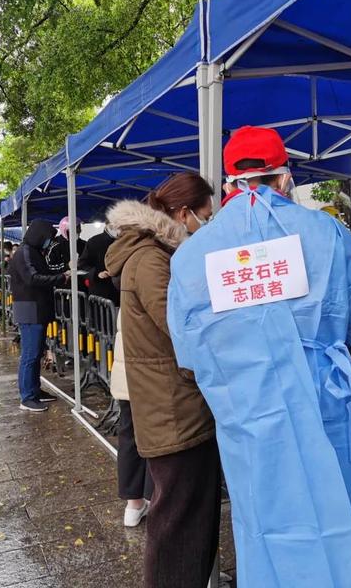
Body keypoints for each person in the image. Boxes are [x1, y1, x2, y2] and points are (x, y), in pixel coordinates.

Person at [167, 126, 351, 587]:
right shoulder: (327, 232)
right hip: (324, 403)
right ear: (285, 178)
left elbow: (189, 350)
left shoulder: (194, 255)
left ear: (228, 183)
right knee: (340, 513)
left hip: (248, 411)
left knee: (264, 521)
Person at [104, 173, 219, 588]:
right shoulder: (152, 259)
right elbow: (181, 326)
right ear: (183, 213)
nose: (205, 225)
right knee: (178, 521)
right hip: (173, 407)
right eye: (204, 217)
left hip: (172, 401)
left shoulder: (152, 252)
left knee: (185, 514)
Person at [9, 219, 69, 412]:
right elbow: (33, 278)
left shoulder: (32, 252)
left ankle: (35, 391)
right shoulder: (24, 253)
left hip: (36, 309)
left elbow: (42, 273)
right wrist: (61, 277)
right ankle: (27, 397)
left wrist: (60, 272)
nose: (49, 242)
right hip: (30, 310)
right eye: (48, 238)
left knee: (36, 353)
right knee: (30, 355)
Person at [109, 308, 154, 527]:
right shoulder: (149, 273)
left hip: (127, 369)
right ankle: (151, 499)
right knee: (155, 433)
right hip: (148, 371)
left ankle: (133, 504)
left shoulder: (125, 274)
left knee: (129, 433)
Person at [80, 224, 120, 304]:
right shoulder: (94, 241)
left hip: (121, 291)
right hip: (100, 292)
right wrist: (97, 273)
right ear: (107, 224)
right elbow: (82, 265)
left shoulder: (124, 242)